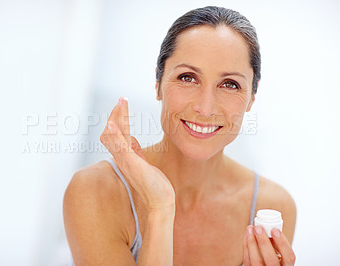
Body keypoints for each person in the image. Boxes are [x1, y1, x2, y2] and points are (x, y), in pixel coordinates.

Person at [63, 6, 296, 265]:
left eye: (230, 84)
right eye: (188, 78)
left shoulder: (272, 207)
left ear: (252, 97)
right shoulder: (96, 192)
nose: (205, 108)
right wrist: (160, 207)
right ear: (158, 83)